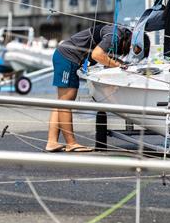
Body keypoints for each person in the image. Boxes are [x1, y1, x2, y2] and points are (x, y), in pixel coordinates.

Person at [47, 24, 149, 152]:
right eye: (135, 50)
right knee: (66, 102)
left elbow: (102, 56)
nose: (130, 52)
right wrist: (119, 65)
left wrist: (119, 64)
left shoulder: (118, 33)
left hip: (67, 57)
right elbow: (97, 55)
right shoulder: (115, 35)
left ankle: (52, 142)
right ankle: (71, 143)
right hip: (67, 57)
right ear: (134, 43)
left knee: (62, 102)